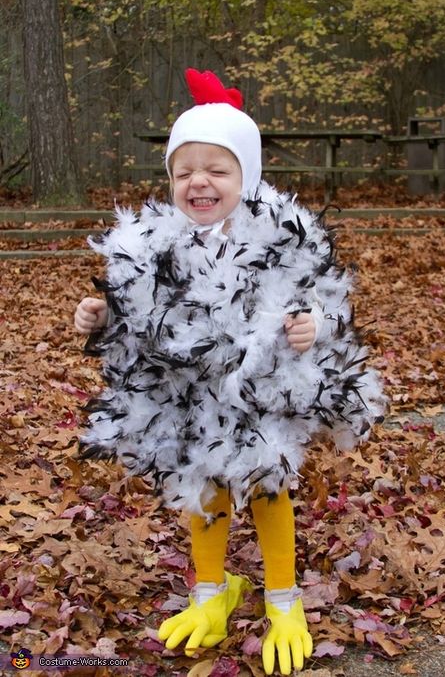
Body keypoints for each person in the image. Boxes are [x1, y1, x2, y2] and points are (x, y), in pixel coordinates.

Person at [75, 68, 385, 675]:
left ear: (246, 176)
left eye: (217, 169)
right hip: (187, 400)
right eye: (184, 170)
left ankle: (283, 600)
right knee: (204, 490)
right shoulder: (149, 245)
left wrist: (313, 324)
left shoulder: (283, 237)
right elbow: (135, 308)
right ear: (169, 181)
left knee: (268, 489)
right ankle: (212, 594)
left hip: (258, 394)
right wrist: (101, 314)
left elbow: (327, 298)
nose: (199, 182)